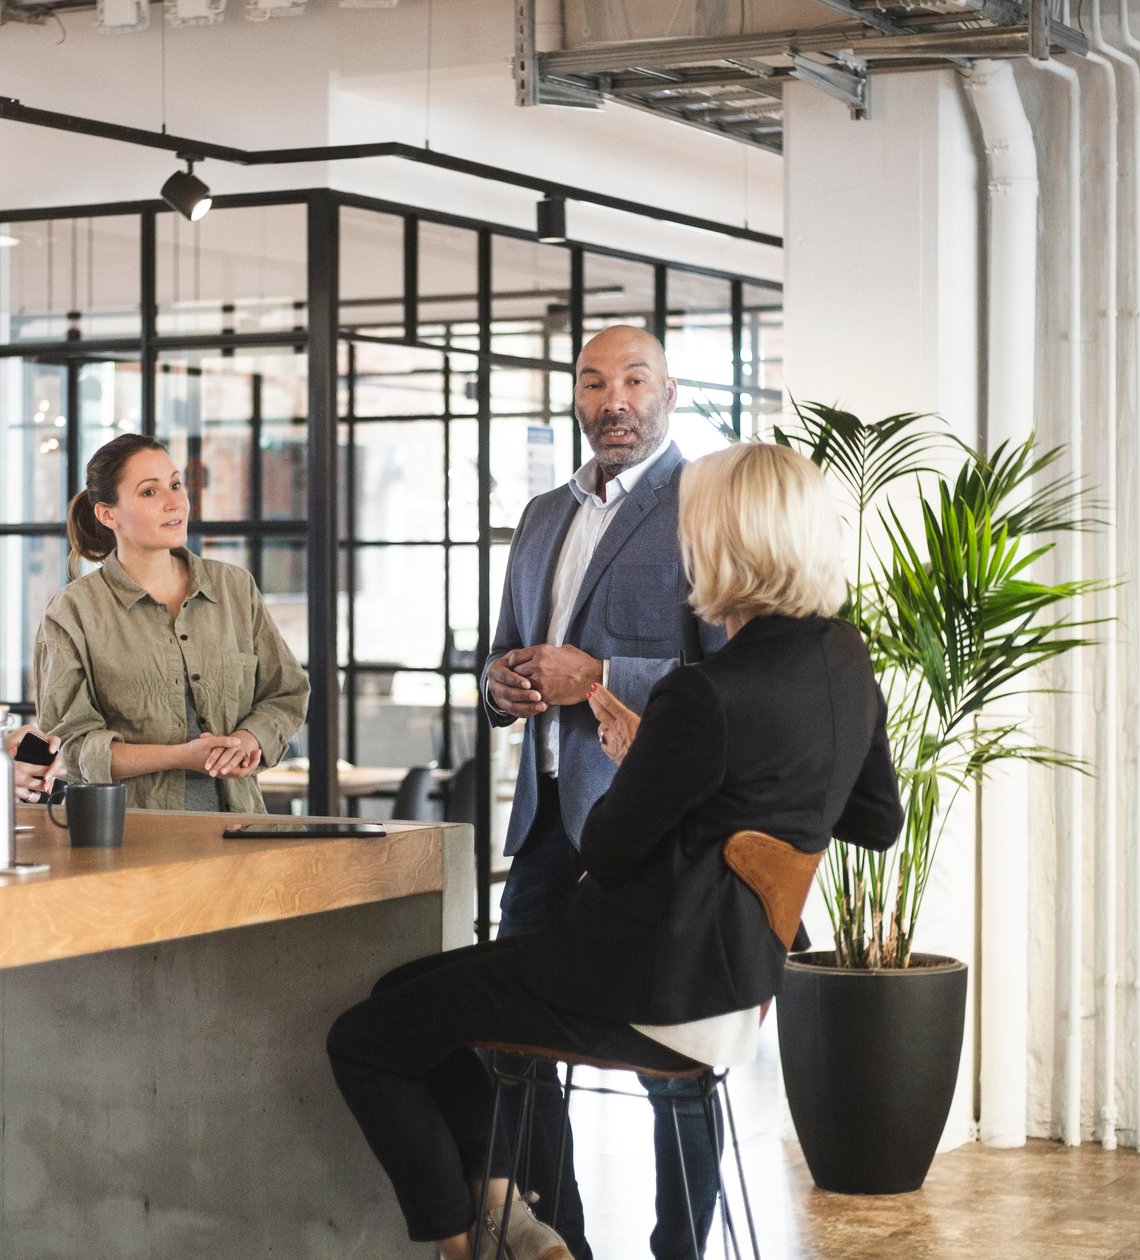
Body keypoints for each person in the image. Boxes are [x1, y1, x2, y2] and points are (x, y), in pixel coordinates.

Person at [328, 441, 904, 1260]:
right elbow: (874, 820)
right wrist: (698, 778)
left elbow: (609, 846)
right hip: (737, 987)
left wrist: (654, 759)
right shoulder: (842, 657)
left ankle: (466, 1243)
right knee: (408, 992)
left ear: (721, 542)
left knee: (365, 1038)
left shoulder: (705, 694)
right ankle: (509, 1216)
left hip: (642, 985)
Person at [478, 324, 730, 1257]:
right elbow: (506, 642)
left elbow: (726, 677)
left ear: (671, 391)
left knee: (672, 1059)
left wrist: (604, 672)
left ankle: (678, 1251)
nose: (611, 399)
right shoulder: (544, 513)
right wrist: (499, 685)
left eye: (633, 379)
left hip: (647, 824)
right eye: (592, 381)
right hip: (544, 823)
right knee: (513, 1038)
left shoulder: (704, 504)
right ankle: (561, 1238)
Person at [34, 433, 309, 811]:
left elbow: (286, 693)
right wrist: (180, 756)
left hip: (241, 830)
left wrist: (250, 738)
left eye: (176, 485)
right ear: (107, 514)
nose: (174, 502)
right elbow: (72, 746)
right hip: (131, 838)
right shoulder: (73, 612)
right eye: (150, 492)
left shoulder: (234, 587)